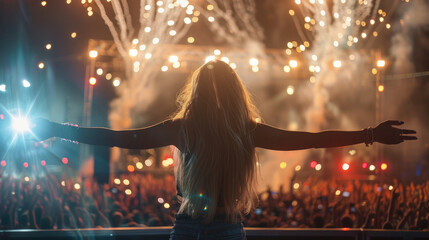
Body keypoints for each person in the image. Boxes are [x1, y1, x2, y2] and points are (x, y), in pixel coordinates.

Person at [31, 60, 417, 239]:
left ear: (196, 92)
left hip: (187, 227)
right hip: (229, 228)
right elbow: (313, 139)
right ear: (237, 93)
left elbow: (118, 138)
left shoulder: (182, 129)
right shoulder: (247, 132)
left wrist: (59, 129)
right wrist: (369, 133)